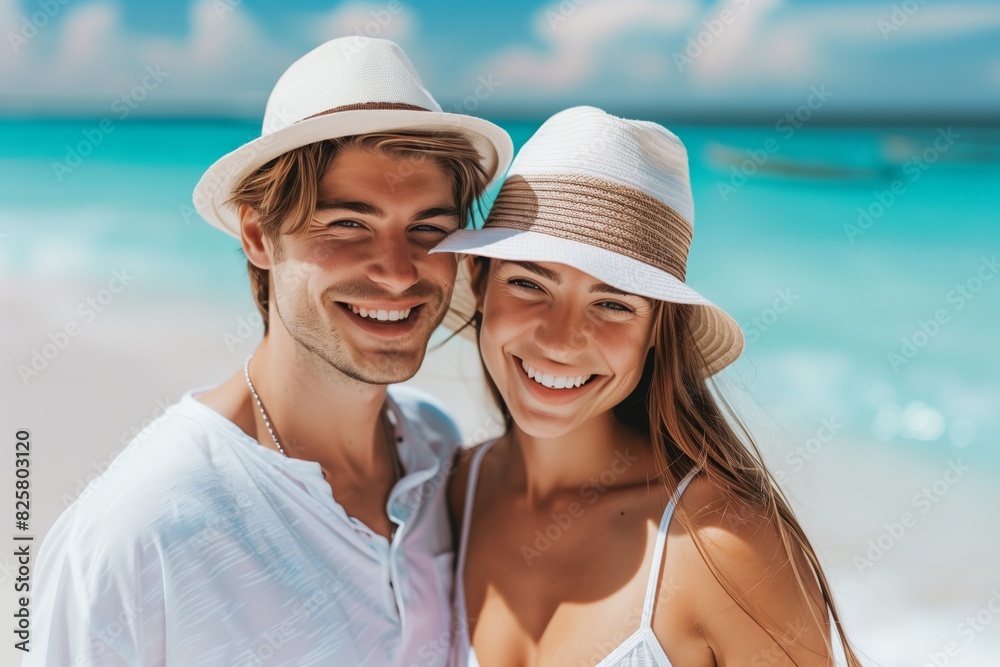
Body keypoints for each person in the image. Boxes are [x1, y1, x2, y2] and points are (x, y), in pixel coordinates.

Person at [26, 37, 512, 666]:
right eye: (348, 224)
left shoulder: (436, 450)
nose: (398, 273)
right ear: (258, 233)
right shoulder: (142, 527)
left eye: (427, 228)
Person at [433, 107, 862, 666]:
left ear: (658, 329)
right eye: (529, 284)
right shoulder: (446, 494)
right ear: (479, 282)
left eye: (611, 303)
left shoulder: (722, 546)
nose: (563, 340)